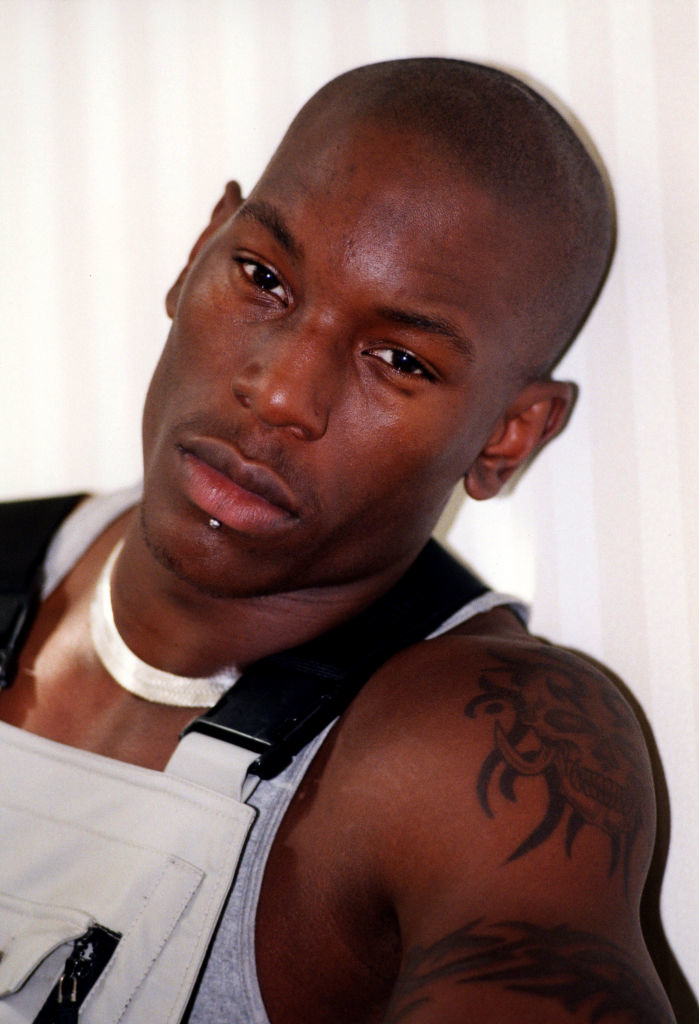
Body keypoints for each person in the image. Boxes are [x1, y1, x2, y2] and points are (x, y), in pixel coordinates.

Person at [0, 58, 676, 1023]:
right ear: (198, 252)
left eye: (399, 359)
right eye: (264, 278)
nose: (280, 394)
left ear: (507, 434)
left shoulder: (476, 756)